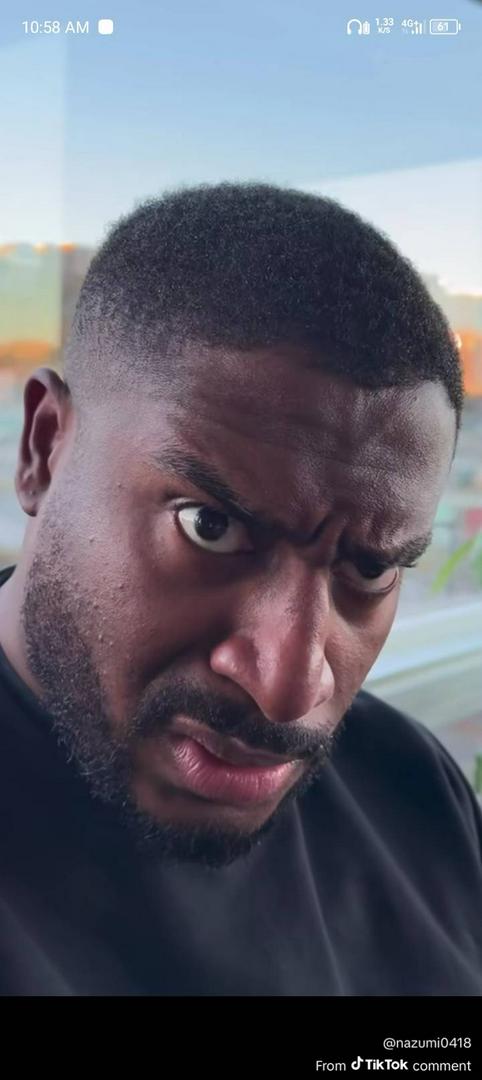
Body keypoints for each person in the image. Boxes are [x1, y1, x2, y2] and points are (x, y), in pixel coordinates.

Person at [0, 182, 481, 997]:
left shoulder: (412, 786)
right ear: (45, 449)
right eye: (210, 526)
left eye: (369, 569)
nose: (290, 688)